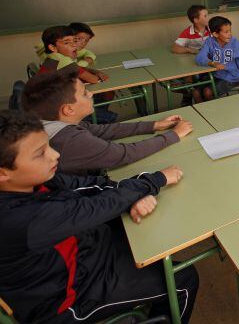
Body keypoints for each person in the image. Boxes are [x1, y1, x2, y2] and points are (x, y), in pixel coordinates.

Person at [0, 109, 198, 324]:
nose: (55, 154)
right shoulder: (17, 219)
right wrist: (155, 180)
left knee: (148, 236)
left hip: (84, 249)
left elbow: (86, 187)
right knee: (183, 279)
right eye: (40, 153)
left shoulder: (33, 180)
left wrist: (134, 193)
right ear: (3, 172)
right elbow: (94, 208)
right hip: (72, 296)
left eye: (48, 145)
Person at [22, 69, 193, 176]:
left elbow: (103, 130)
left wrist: (154, 125)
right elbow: (123, 154)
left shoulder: (53, 122)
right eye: (84, 93)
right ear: (68, 110)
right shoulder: (68, 139)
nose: (90, 95)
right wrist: (174, 135)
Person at [195, 16, 239, 100]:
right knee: (196, 92)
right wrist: (213, 63)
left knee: (207, 92)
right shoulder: (210, 41)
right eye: (226, 32)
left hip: (231, 77)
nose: (230, 34)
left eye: (230, 31)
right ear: (215, 34)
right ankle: (202, 110)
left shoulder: (235, 43)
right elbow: (199, 58)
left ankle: (211, 111)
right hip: (215, 74)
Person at [37, 25, 108, 85]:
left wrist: (95, 71)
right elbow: (93, 80)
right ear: (53, 47)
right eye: (66, 43)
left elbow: (76, 67)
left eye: (75, 41)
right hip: (54, 100)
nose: (74, 45)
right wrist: (97, 75)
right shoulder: (63, 61)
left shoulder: (53, 57)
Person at [172, 5, 210, 104]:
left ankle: (191, 95)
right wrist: (189, 50)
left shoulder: (212, 29)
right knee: (190, 79)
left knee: (197, 83)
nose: (208, 18)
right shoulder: (188, 32)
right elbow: (175, 48)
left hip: (211, 63)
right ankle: (191, 94)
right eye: (205, 16)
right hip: (195, 65)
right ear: (196, 20)